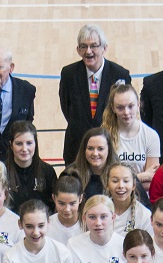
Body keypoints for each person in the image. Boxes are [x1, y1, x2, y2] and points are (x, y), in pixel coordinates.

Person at [59, 24, 131, 167]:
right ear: (78, 50)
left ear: (104, 48)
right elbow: (66, 107)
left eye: (94, 46)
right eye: (83, 46)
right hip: (76, 148)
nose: (89, 51)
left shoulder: (120, 75)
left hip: (110, 149)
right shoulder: (68, 74)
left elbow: (124, 112)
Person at [102, 83, 161, 191]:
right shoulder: (105, 136)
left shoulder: (151, 136)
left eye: (131, 106)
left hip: (142, 199)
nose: (126, 112)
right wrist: (141, 177)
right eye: (120, 108)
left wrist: (119, 183)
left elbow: (151, 181)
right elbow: (105, 181)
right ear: (113, 108)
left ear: (138, 104)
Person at [4, 121, 58, 213]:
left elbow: (53, 207)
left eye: (29, 143)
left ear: (35, 144)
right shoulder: (2, 172)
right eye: (19, 144)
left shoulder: (48, 172)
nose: (24, 149)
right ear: (11, 145)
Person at [65, 126, 117, 200]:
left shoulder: (120, 174)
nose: (95, 153)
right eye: (90, 148)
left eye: (100, 149)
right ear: (84, 150)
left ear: (109, 150)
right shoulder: (71, 175)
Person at [106, 161, 152, 234]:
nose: (121, 185)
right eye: (115, 181)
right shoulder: (100, 211)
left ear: (133, 185)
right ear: (107, 185)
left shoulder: (144, 214)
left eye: (126, 181)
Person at [48, 174, 84, 245]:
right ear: (54, 198)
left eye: (72, 203)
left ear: (80, 199)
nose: (67, 209)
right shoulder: (46, 225)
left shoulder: (89, 225)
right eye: (61, 203)